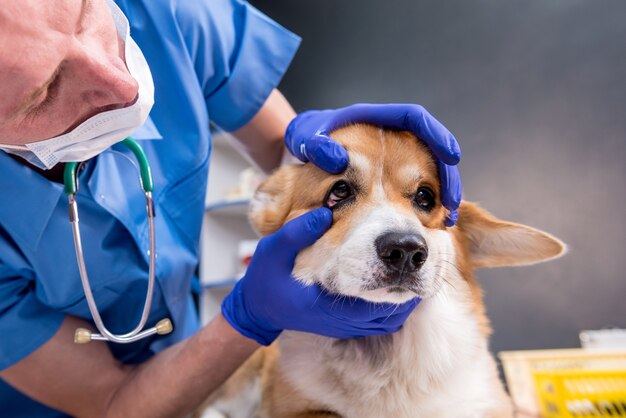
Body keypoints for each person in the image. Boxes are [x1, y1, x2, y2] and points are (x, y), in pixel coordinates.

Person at [0, 0, 462, 416]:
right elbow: (112, 402)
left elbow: (295, 166)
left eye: (84, 16)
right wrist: (248, 319)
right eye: (44, 91)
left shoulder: (165, 14)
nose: (122, 83)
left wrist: (330, 156)